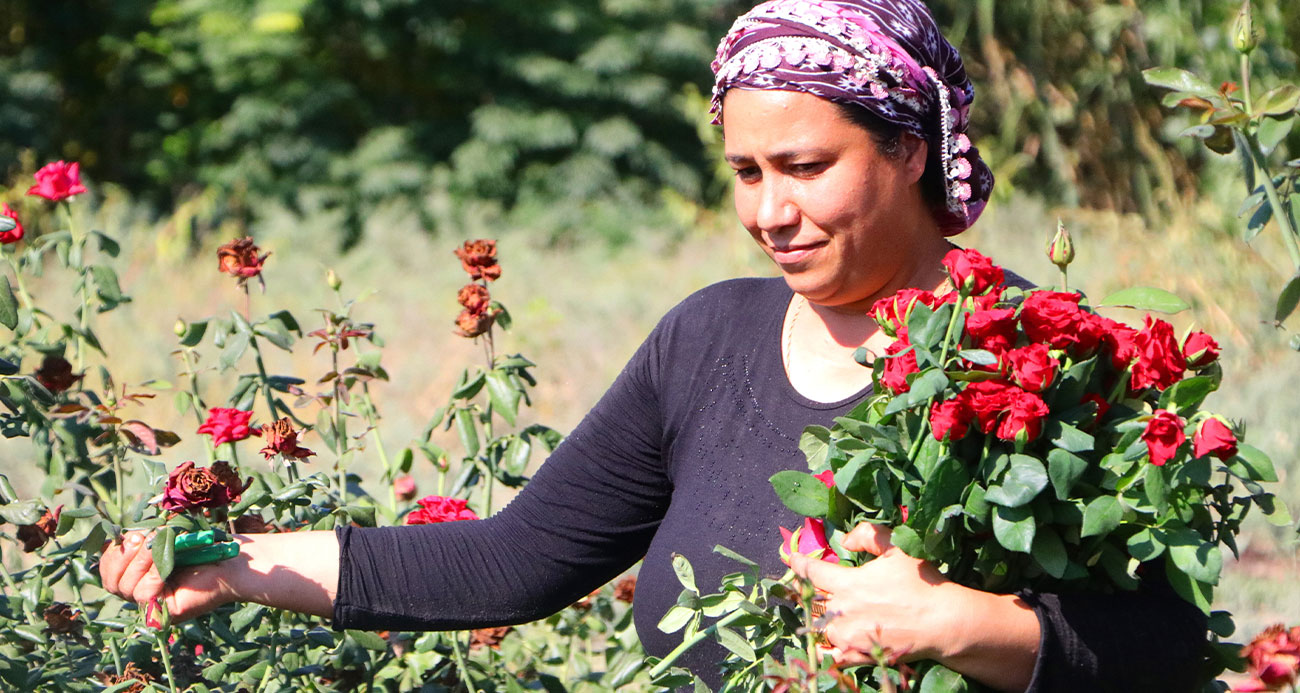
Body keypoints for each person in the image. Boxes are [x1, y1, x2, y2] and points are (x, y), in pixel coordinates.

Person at [100, 1, 1207, 690]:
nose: (769, 211)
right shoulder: (708, 340)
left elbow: (1163, 647)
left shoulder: (1032, 356)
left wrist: (958, 624)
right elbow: (513, 560)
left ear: (909, 151)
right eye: (745, 172)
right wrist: (237, 565)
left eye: (807, 168)